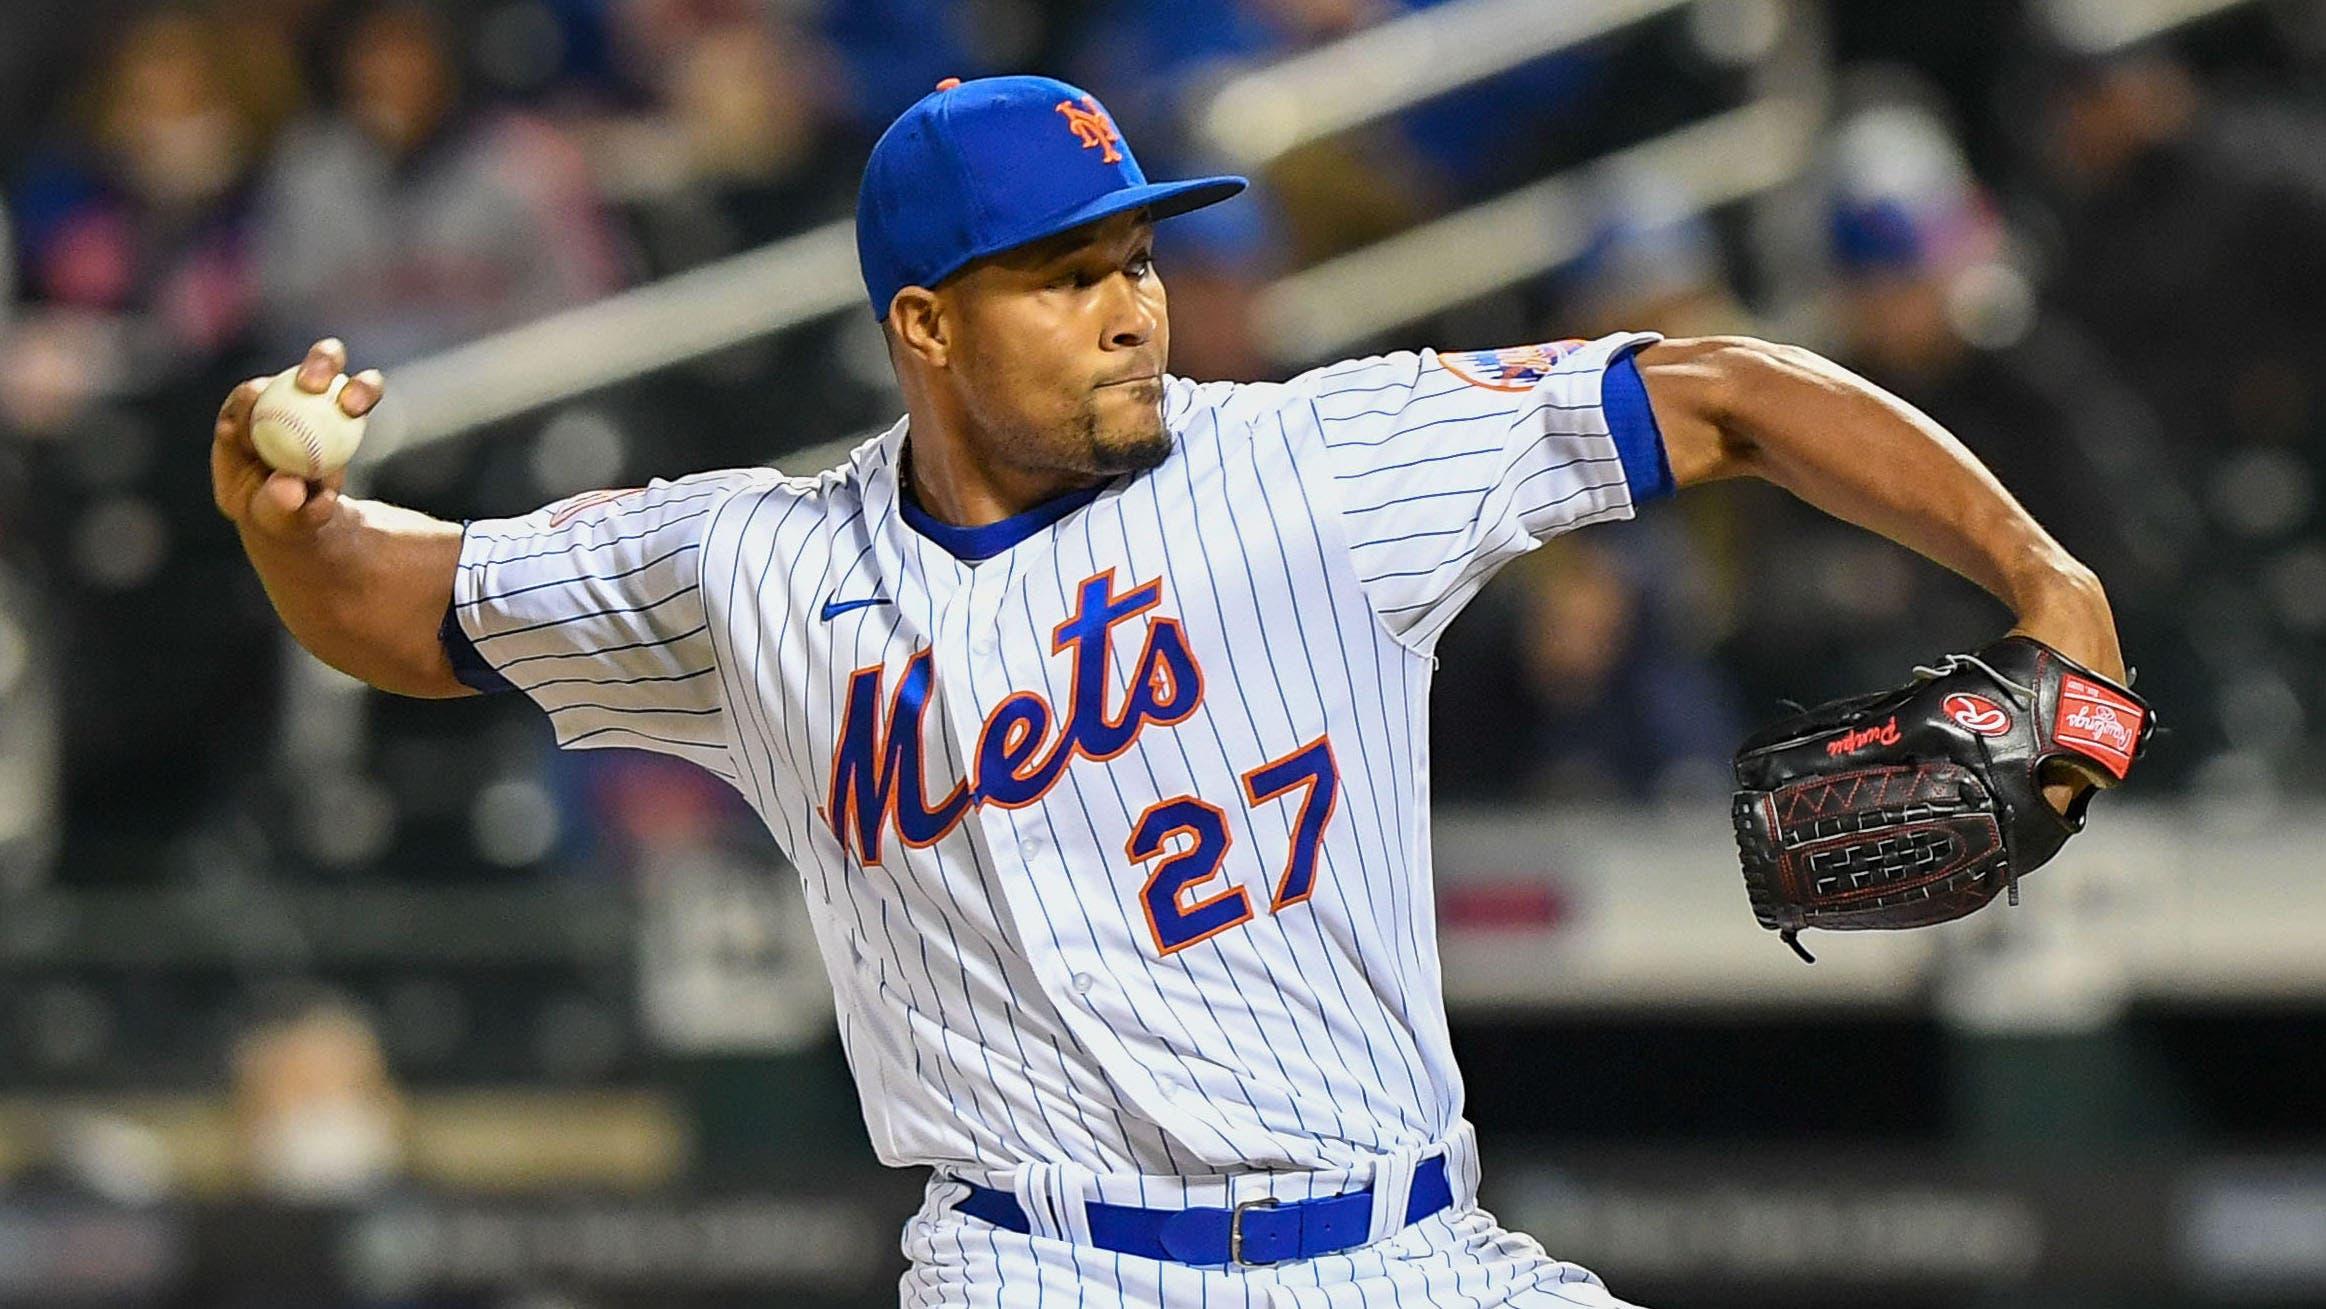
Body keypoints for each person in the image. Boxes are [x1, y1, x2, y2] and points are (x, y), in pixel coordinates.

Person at [212, 76, 2125, 1307]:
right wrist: (283, 511)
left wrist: (2051, 586)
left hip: (1405, 1250)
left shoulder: (1321, 459)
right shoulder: (754, 567)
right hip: (1037, 1269)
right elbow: (411, 604)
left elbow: (1724, 394)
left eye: (1137, 253)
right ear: (926, 326)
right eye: (1066, 275)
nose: (1135, 303)